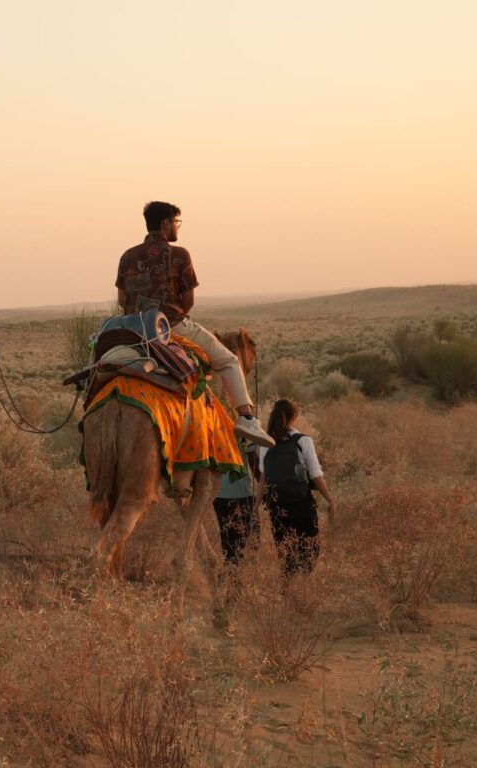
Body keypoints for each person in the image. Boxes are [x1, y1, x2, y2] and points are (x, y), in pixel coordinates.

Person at [115, 201, 273, 448]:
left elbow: (122, 300)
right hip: (170, 328)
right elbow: (188, 302)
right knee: (229, 360)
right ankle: (246, 417)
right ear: (166, 224)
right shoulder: (179, 255)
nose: (177, 227)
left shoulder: (127, 256)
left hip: (132, 331)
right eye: (176, 222)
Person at [255, 398, 336, 574]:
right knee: (309, 549)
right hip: (302, 505)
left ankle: (287, 590)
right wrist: (330, 500)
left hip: (277, 508)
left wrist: (256, 505)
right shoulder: (303, 441)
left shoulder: (265, 444)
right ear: (294, 416)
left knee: (285, 552)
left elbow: (263, 478)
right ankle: (303, 588)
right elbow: (315, 474)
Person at [213, 440, 261, 563]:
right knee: (249, 540)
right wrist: (264, 486)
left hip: (219, 493)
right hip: (242, 492)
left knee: (227, 540)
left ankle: (231, 575)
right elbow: (252, 459)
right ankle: (242, 576)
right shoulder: (245, 422)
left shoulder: (212, 422)